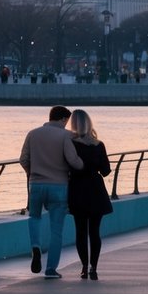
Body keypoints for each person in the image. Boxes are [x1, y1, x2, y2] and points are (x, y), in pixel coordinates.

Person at [20, 105, 83, 279]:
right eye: (67, 121)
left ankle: (35, 246)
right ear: (63, 119)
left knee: (34, 216)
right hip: (59, 186)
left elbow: (23, 159)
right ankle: (50, 269)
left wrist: (32, 173)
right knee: (56, 230)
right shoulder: (66, 136)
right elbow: (73, 160)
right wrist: (83, 166)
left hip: (36, 184)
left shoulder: (33, 134)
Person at [67, 109, 113, 281]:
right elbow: (106, 171)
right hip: (96, 189)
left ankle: (84, 268)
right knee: (95, 231)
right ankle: (94, 267)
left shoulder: (71, 143)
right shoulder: (98, 144)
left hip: (77, 188)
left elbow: (67, 166)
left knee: (80, 231)